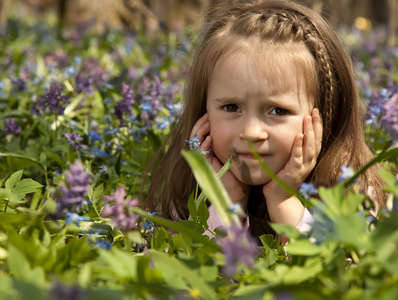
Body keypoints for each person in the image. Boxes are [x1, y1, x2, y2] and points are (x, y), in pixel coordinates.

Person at [145, 0, 384, 240]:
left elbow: (337, 273)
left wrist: (284, 201)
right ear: (203, 111)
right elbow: (187, 270)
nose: (250, 132)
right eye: (231, 107)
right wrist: (226, 202)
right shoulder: (187, 191)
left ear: (324, 114)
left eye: (278, 111)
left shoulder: (355, 194)